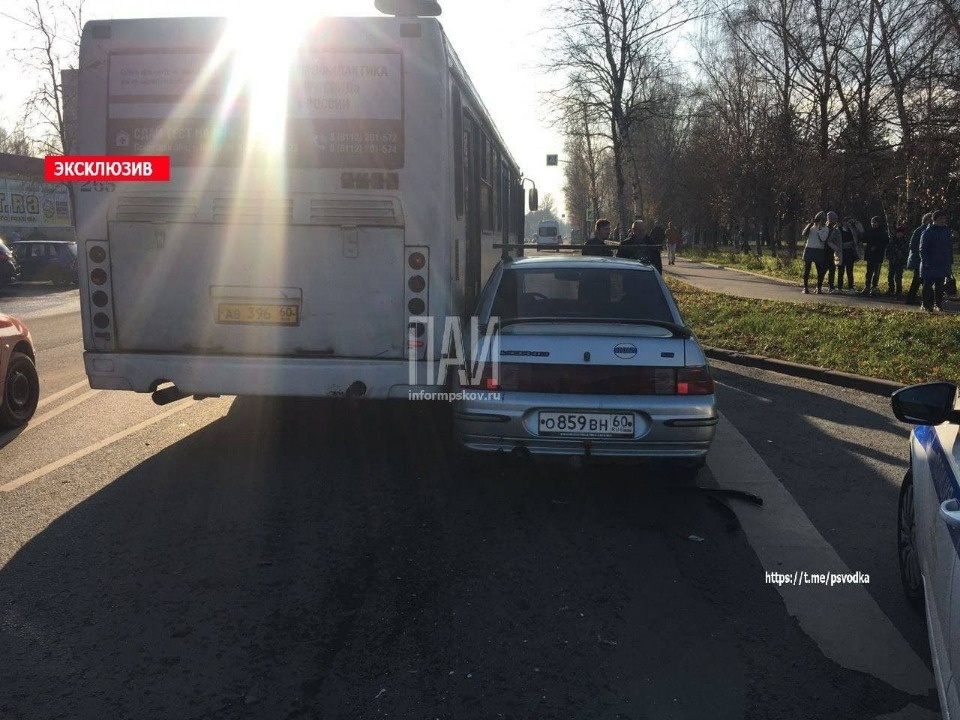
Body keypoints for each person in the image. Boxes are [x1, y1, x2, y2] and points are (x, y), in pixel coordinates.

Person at [919, 209, 953, 312]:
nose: (943, 221)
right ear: (934, 220)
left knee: (940, 286)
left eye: (944, 219)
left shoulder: (946, 231)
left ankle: (938, 304)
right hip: (930, 263)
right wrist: (925, 261)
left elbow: (949, 247)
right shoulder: (928, 231)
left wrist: (950, 261)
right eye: (940, 219)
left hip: (942, 263)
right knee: (928, 285)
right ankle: (925, 304)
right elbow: (922, 248)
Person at [905, 212, 932, 305]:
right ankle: (927, 300)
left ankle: (912, 298)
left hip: (920, 259)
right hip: (918, 260)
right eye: (930, 219)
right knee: (920, 280)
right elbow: (913, 246)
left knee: (918, 280)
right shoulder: (921, 230)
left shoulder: (924, 230)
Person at [799, 211, 829, 294]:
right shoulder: (811, 227)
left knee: (820, 270)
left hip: (819, 250)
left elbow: (823, 239)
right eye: (820, 219)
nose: (822, 221)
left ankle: (819, 288)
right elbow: (804, 234)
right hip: (809, 249)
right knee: (807, 269)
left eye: (823, 220)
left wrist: (819, 228)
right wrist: (810, 224)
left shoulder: (826, 228)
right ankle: (805, 288)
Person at [860, 215, 889, 296]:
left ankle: (874, 287)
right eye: (872, 222)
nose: (873, 224)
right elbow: (864, 239)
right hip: (870, 254)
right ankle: (867, 286)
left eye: (875, 222)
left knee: (876, 272)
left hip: (878, 255)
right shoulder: (869, 231)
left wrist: (876, 247)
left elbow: (884, 242)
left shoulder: (883, 232)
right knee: (869, 272)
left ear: (879, 223)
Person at [835, 216, 862, 293]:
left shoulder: (852, 230)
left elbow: (861, 230)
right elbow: (831, 240)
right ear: (843, 222)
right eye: (847, 222)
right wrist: (836, 248)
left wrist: (856, 222)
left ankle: (851, 288)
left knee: (850, 271)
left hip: (850, 253)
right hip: (841, 253)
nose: (848, 224)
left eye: (849, 222)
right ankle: (839, 288)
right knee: (841, 271)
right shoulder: (838, 230)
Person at [885, 225, 909, 297]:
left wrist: (904, 260)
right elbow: (888, 250)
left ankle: (899, 291)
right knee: (890, 276)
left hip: (900, 262)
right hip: (892, 261)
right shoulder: (892, 241)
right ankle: (891, 289)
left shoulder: (905, 242)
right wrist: (890, 257)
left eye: (901, 233)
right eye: (898, 233)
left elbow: (906, 252)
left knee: (898, 277)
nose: (899, 234)